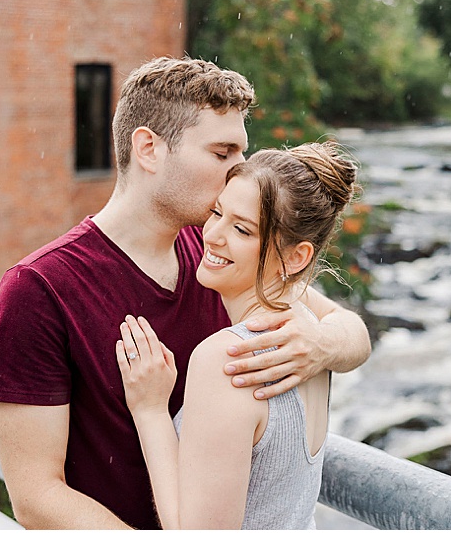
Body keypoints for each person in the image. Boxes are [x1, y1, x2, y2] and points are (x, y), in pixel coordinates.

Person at [0, 59, 371, 530]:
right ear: (148, 148)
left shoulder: (216, 257)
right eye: (222, 152)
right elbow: (37, 497)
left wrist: (320, 346)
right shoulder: (37, 291)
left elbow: (349, 330)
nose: (238, 170)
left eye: (241, 154)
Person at [117, 143, 360, 530]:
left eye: (241, 229)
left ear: (296, 257)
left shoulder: (229, 357)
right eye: (217, 212)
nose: (211, 234)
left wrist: (149, 410)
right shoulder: (307, 332)